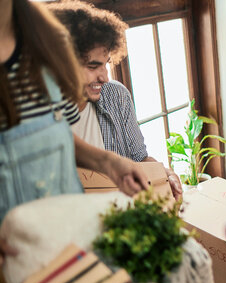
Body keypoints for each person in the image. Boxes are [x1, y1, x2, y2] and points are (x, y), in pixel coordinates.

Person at [0, 0, 148, 261]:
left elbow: (53, 133)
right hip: (15, 251)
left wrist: (109, 162)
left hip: (69, 232)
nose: (103, 76)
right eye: (92, 66)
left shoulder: (46, 39)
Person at [47, 0, 182, 200]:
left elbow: (139, 159)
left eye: (106, 64)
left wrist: (164, 174)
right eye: (93, 67)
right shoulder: (36, 115)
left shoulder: (115, 96)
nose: (105, 77)